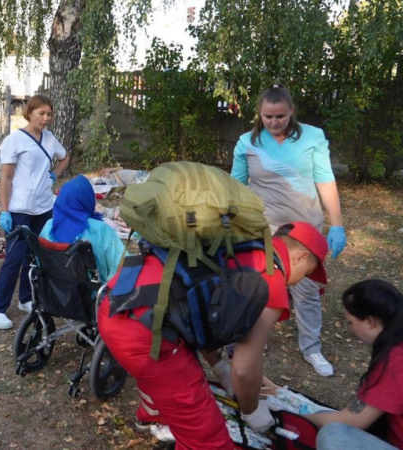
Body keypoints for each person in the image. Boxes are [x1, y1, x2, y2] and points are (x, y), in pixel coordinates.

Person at [98, 222, 329, 449]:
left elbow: (202, 310)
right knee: (209, 440)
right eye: (306, 273)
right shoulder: (271, 278)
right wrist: (252, 410)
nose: (299, 281)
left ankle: (152, 415)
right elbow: (244, 368)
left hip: (118, 300)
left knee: (161, 378)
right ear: (299, 257)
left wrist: (219, 365)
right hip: (143, 331)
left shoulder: (241, 246)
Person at [231, 85, 347, 377]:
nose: (274, 122)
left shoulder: (313, 137)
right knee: (260, 286)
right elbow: (235, 187)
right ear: (260, 113)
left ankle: (311, 348)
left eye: (280, 116)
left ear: (291, 111)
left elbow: (325, 180)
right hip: (264, 228)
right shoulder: (247, 142)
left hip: (304, 230)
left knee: (306, 290)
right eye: (268, 116)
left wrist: (337, 224)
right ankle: (254, 338)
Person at [0, 94, 69, 330]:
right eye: (41, 113)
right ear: (29, 113)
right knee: (14, 258)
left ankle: (25, 298)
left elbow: (64, 158)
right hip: (20, 208)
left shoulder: (50, 138)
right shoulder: (15, 141)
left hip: (44, 207)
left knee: (35, 257)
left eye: (49, 114)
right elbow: (6, 177)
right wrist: (5, 211)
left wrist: (55, 174)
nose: (45, 118)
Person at [307, 280, 403, 450]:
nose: (350, 329)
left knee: (333, 434)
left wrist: (299, 418)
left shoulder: (396, 359)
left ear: (370, 322)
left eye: (351, 322)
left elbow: (352, 420)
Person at [39, 175, 126, 283]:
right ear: (87, 199)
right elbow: (122, 267)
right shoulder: (100, 229)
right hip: (94, 294)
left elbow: (41, 262)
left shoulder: (49, 226)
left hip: (56, 292)